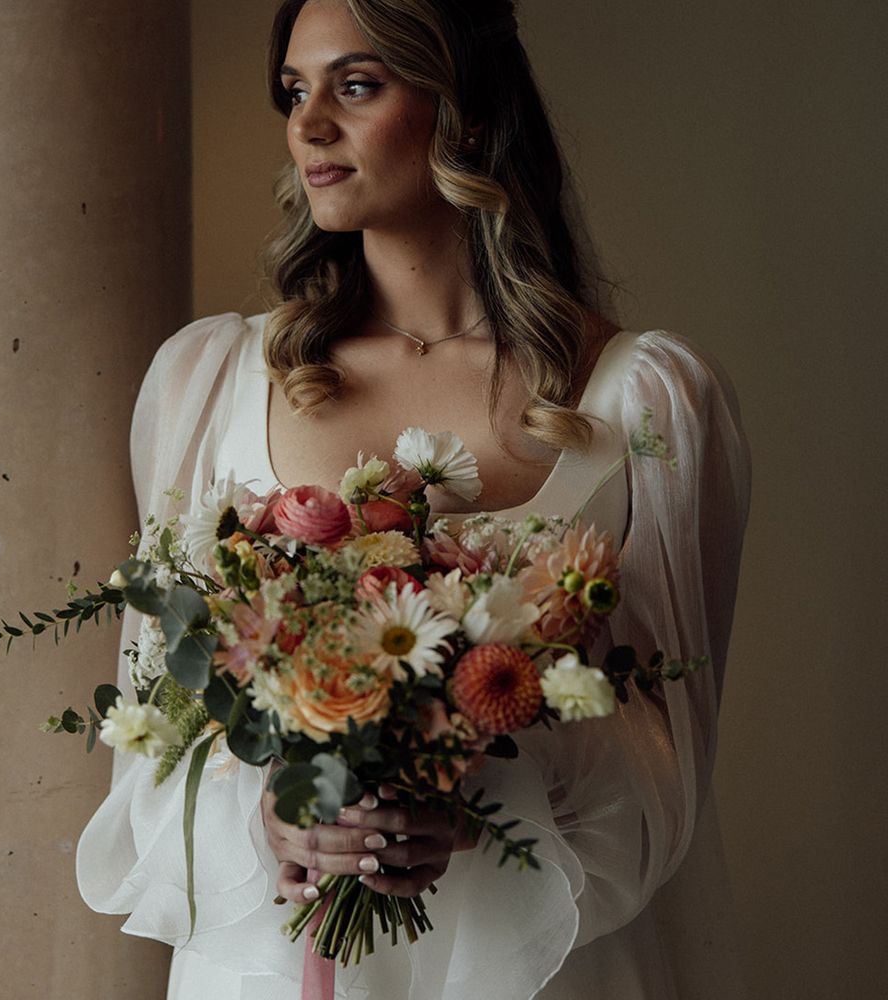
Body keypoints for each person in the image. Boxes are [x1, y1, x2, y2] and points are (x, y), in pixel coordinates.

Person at [76, 1, 751, 997]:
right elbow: (152, 729)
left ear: (464, 111)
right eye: (294, 91)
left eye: (355, 85)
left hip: (540, 959)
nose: (307, 125)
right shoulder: (205, 379)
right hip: (273, 954)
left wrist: (477, 786)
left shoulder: (647, 398)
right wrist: (268, 813)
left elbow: (667, 770)